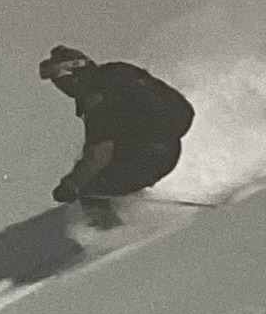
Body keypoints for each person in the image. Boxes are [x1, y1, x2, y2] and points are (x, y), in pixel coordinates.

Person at [38, 45, 194, 221]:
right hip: (168, 149)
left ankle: (107, 230)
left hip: (150, 159)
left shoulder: (95, 99)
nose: (60, 87)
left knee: (89, 188)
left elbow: (99, 153)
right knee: (102, 173)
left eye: (58, 80)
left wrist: (71, 184)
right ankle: (126, 205)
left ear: (72, 76)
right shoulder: (117, 73)